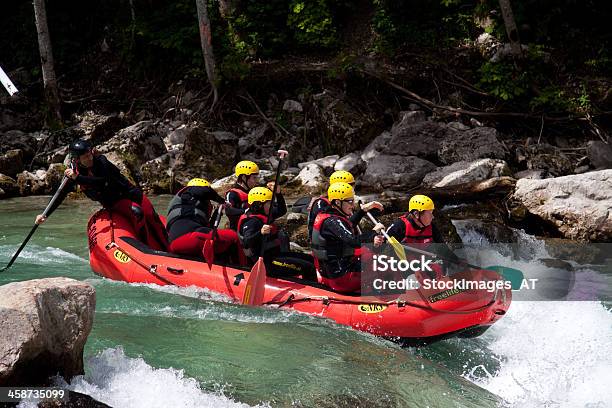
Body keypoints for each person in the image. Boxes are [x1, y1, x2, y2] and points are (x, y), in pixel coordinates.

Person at [35, 139, 168, 250]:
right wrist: (45, 214)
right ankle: (146, 250)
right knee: (137, 213)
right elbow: (60, 194)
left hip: (131, 194)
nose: (90, 158)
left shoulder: (101, 161)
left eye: (89, 154)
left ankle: (169, 248)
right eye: (85, 157)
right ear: (77, 159)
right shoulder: (74, 173)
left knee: (152, 219)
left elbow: (102, 181)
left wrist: (78, 178)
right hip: (114, 202)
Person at [311, 182, 385, 294]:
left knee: (372, 255)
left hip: (333, 273)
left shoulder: (331, 217)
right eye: (349, 201)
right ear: (337, 202)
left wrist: (362, 211)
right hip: (342, 278)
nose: (353, 205)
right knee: (384, 264)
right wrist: (373, 232)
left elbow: (347, 225)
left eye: (353, 200)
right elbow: (352, 241)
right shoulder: (332, 221)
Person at [238, 186, 317, 280]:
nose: (272, 207)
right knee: (308, 267)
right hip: (266, 263)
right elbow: (247, 242)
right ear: (259, 205)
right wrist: (260, 232)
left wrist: (278, 194)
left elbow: (282, 210)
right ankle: (313, 290)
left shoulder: (265, 213)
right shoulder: (251, 222)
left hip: (275, 255)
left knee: (310, 259)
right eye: (269, 204)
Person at [373, 194, 463, 278]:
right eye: (430, 213)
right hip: (403, 266)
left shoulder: (431, 226)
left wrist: (457, 261)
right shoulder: (399, 226)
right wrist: (376, 244)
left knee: (441, 265)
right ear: (416, 214)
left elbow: (443, 249)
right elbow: (379, 251)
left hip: (421, 262)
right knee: (412, 277)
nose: (433, 217)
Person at [166, 178, 242, 264]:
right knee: (233, 236)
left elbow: (208, 229)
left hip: (176, 243)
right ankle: (243, 269)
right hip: (188, 237)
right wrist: (223, 201)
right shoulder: (189, 192)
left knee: (216, 239)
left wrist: (217, 212)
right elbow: (203, 190)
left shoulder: (187, 207)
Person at [307, 170, 355, 240]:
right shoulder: (321, 204)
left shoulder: (344, 203)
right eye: (348, 186)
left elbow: (348, 223)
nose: (351, 189)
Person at [225, 160, 260, 231]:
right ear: (244, 177)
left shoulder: (255, 192)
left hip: (255, 229)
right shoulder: (232, 194)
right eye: (254, 178)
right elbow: (228, 211)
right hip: (238, 232)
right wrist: (246, 211)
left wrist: (277, 194)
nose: (256, 181)